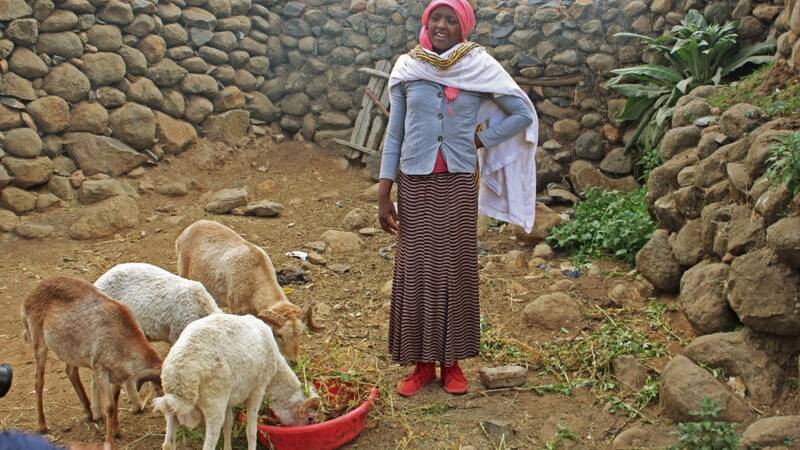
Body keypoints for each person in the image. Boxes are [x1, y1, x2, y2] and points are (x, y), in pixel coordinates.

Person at [378, 0, 538, 397]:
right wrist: (384, 192)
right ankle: (420, 366)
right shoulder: (408, 69)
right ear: (426, 22)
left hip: (459, 179)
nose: (442, 25)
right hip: (414, 181)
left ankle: (451, 365)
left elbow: (521, 112)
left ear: (463, 26)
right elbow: (394, 132)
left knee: (454, 267)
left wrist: (482, 139)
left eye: (452, 19)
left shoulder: (477, 67)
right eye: (437, 18)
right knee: (415, 269)